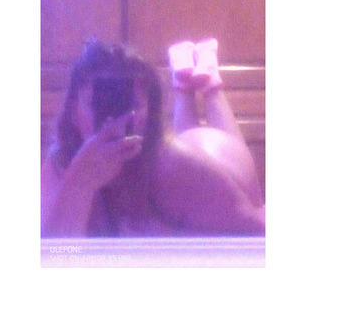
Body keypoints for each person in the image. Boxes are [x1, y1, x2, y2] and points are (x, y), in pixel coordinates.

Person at [41, 38, 265, 237]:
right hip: (180, 178)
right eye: (97, 105)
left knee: (218, 172)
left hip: (218, 157)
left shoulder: (178, 165)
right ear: (73, 113)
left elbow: (257, 233)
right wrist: (79, 181)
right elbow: (55, 254)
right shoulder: (62, 163)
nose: (112, 121)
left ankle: (209, 85)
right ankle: (183, 83)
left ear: (150, 113)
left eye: (129, 105)